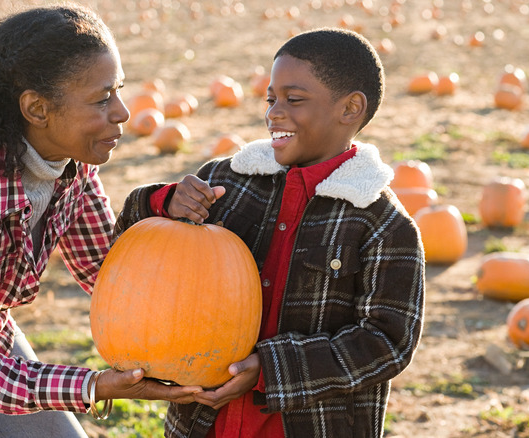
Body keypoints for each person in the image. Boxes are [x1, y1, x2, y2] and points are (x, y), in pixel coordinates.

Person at [0, 5, 202, 438]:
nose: (122, 112)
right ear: (37, 108)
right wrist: (91, 385)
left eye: (118, 90)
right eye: (102, 99)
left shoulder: (72, 161)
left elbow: (108, 273)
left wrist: (161, 209)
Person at [126, 27, 425, 437]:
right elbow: (135, 251)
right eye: (271, 99)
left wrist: (270, 368)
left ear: (350, 108)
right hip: (203, 422)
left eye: (293, 100)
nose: (273, 113)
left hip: (308, 425)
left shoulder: (382, 222)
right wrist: (163, 202)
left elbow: (387, 343)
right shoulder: (224, 181)